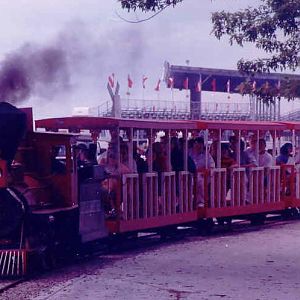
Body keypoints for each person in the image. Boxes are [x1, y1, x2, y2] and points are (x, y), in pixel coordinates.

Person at [189, 137, 215, 206]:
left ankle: (200, 202)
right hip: (190, 175)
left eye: (201, 144)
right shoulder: (189, 152)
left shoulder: (206, 154)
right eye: (197, 144)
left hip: (203, 176)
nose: (199, 146)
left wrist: (206, 170)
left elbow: (212, 165)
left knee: (199, 180)